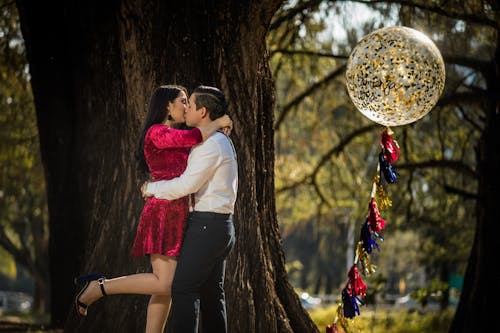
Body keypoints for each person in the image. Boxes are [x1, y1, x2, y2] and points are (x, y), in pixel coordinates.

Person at [73, 85, 233, 333]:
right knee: (165, 284)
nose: (185, 106)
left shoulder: (180, 134)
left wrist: (215, 127)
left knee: (165, 288)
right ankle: (99, 287)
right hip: (163, 213)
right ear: (168, 106)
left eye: (188, 102)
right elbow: (193, 139)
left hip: (180, 214)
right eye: (182, 100)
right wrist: (219, 121)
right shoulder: (157, 133)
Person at [142, 85, 238, 333]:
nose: (186, 109)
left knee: (183, 288)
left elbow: (186, 185)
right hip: (218, 226)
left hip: (207, 225)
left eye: (191, 104)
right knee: (212, 294)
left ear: (203, 111)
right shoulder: (213, 140)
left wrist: (152, 188)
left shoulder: (211, 145)